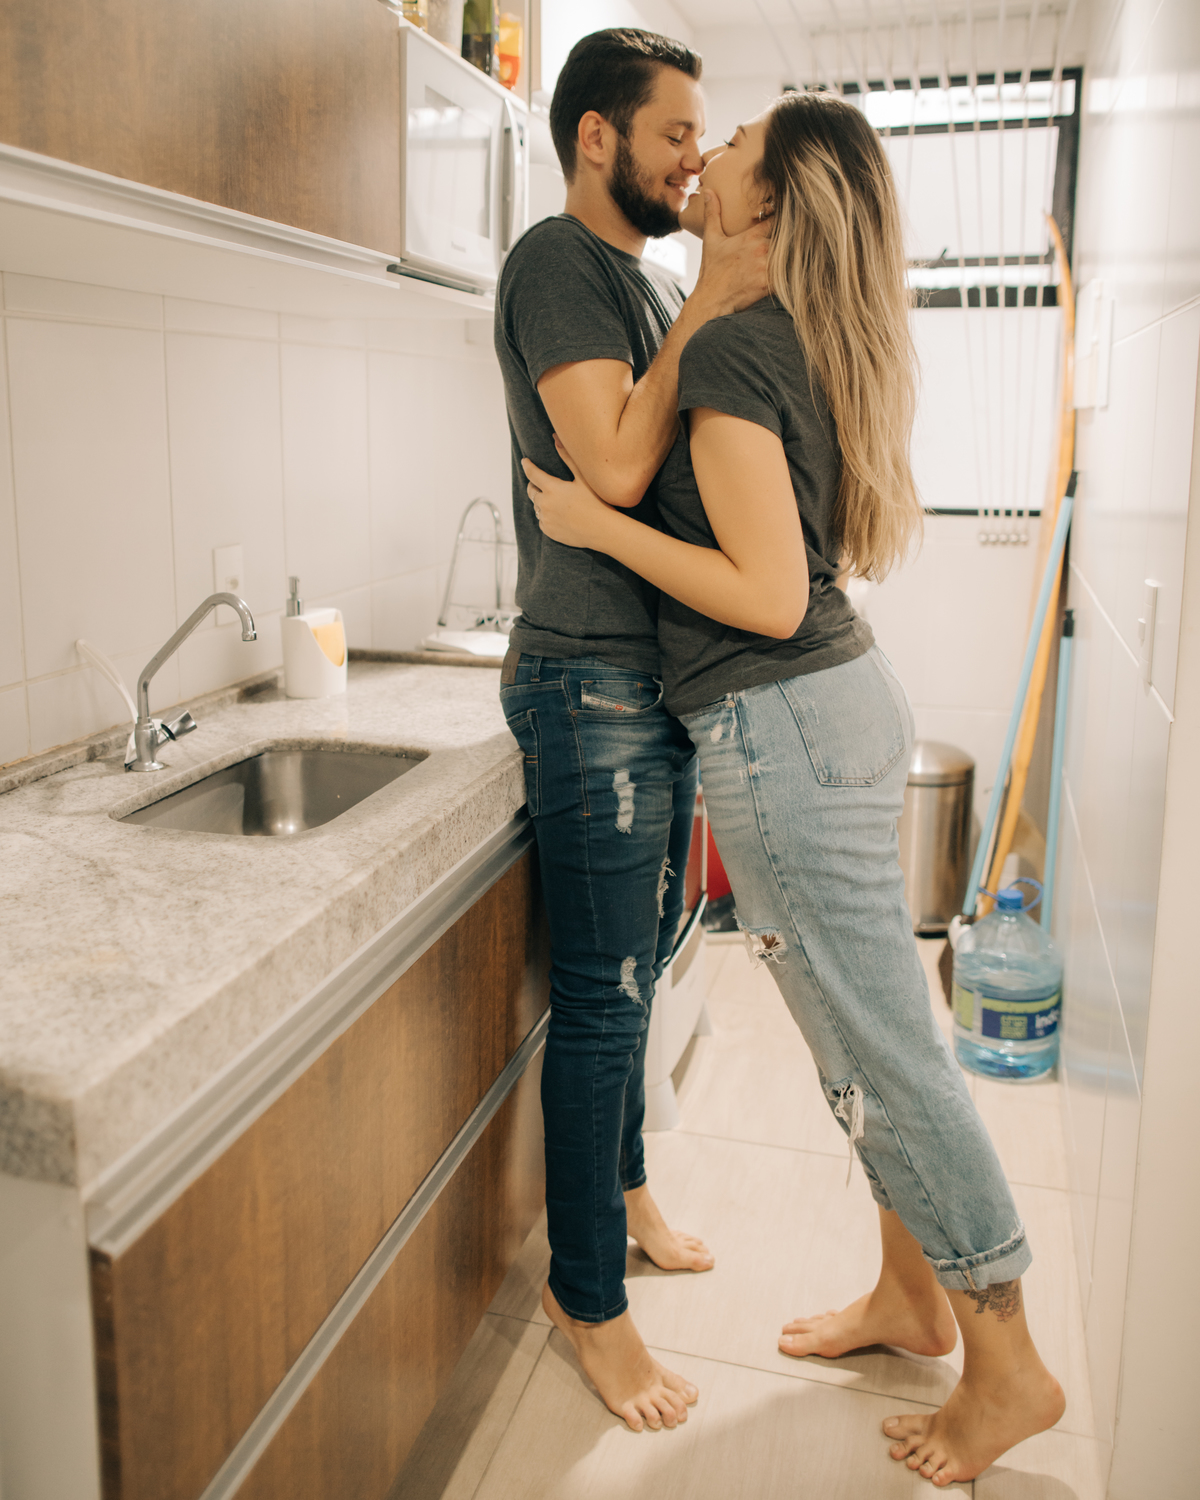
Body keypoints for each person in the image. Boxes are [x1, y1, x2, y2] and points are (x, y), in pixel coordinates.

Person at [523, 90, 1066, 1486]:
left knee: (884, 1052)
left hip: (785, 735)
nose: (707, 157)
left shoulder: (736, 353)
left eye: (737, 147)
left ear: (767, 207)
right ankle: (913, 1295)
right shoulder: (784, 338)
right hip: (827, 721)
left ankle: (1006, 1366)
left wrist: (594, 525)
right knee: (865, 1042)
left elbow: (763, 596)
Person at [493, 28, 770, 1434]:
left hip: (640, 682)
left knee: (636, 975)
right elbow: (609, 459)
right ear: (596, 137)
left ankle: (633, 1194)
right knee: (603, 998)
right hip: (585, 680)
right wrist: (715, 283)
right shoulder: (559, 262)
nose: (691, 158)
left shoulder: (645, 280)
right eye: (674, 134)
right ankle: (585, 1303)